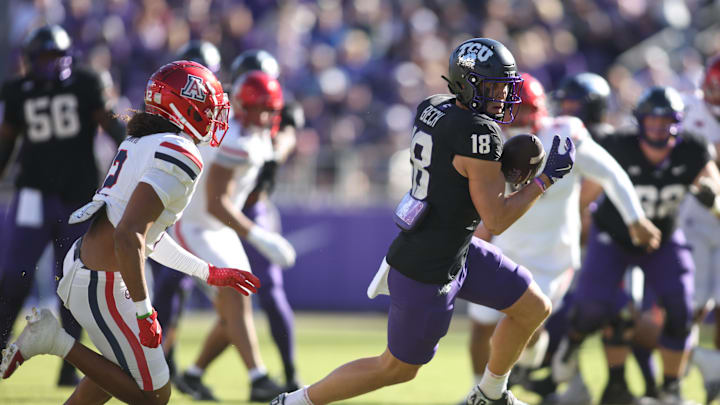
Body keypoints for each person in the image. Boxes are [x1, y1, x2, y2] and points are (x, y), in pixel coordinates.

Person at [271, 37, 576, 405]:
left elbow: (458, 176)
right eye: (493, 88)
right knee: (396, 368)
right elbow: (496, 219)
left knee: (532, 307)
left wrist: (501, 177)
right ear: (468, 83)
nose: (501, 98)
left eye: (503, 88)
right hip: (429, 265)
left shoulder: (432, 107)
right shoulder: (480, 134)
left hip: (455, 246)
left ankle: (490, 395)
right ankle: (294, 402)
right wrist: (545, 180)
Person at [0, 60, 262, 405]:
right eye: (208, 109)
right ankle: (53, 339)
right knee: (153, 396)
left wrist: (207, 272)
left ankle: (55, 340)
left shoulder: (145, 141)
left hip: (92, 269)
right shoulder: (179, 151)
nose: (214, 118)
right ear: (185, 107)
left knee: (110, 378)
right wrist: (143, 311)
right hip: (104, 281)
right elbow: (130, 235)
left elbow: (145, 236)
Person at [462, 72, 659, 403]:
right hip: (506, 251)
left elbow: (610, 173)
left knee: (526, 325)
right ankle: (477, 394)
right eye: (515, 109)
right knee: (481, 329)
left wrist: (635, 218)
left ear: (541, 109)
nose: (522, 118)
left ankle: (509, 380)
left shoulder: (564, 133)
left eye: (528, 109)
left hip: (553, 260)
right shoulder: (488, 141)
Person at [552, 85, 720, 405]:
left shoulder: (692, 149)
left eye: (666, 121)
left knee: (680, 310)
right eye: (652, 121)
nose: (658, 128)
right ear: (639, 122)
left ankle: (670, 389)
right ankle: (572, 343)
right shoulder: (618, 146)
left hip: (662, 238)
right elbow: (584, 199)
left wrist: (712, 195)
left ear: (679, 123)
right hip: (613, 237)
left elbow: (714, 187)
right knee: (595, 308)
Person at [0, 24, 127, 386]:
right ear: (28, 60)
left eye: (55, 57)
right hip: (33, 196)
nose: (49, 65)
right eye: (43, 58)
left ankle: (70, 364)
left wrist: (133, 154)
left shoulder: (86, 83)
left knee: (73, 281)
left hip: (78, 198)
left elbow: (113, 128)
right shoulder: (17, 91)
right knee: (13, 277)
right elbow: (6, 144)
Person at [176, 48, 304, 399]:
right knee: (235, 293)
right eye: (258, 109)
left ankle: (193, 373)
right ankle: (259, 377)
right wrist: (259, 236)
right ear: (243, 107)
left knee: (234, 304)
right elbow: (217, 203)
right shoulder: (235, 139)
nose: (264, 117)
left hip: (218, 226)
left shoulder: (256, 133)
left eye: (269, 110)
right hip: (196, 225)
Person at [147, 39, 224, 387]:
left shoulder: (165, 136)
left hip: (175, 221)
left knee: (174, 291)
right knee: (165, 291)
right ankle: (162, 361)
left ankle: (168, 363)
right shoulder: (173, 144)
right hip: (162, 222)